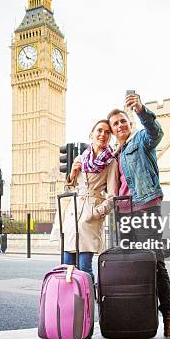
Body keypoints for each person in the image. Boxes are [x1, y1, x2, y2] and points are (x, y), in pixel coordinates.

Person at [107, 92, 170, 339]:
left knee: (156, 263)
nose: (120, 125)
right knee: (129, 267)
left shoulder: (140, 139)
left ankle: (169, 320)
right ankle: (135, 315)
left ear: (129, 124)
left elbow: (156, 132)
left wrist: (140, 109)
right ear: (111, 130)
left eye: (123, 121)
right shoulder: (113, 155)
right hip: (123, 214)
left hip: (146, 208)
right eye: (115, 123)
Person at [51, 119, 118, 281]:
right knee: (66, 266)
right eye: (99, 131)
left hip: (90, 218)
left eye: (107, 132)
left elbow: (113, 196)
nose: (102, 134)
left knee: (85, 267)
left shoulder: (111, 162)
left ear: (110, 137)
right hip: (72, 216)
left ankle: (88, 302)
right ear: (91, 134)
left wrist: (96, 213)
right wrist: (72, 175)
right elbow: (70, 188)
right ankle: (70, 303)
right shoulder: (80, 159)